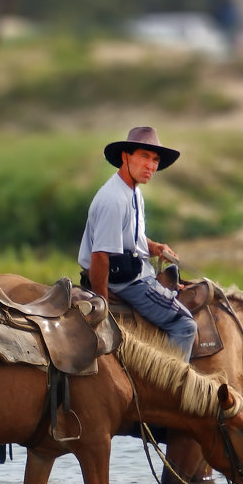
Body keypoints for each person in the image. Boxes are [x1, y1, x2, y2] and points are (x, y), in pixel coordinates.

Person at [78, 126, 197, 360]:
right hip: (126, 281)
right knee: (185, 326)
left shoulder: (133, 192)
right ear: (125, 156)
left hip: (136, 270)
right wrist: (103, 311)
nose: (151, 166)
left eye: (155, 160)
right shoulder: (113, 200)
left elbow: (132, 238)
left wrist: (156, 248)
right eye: (144, 156)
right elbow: (100, 256)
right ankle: (170, 390)